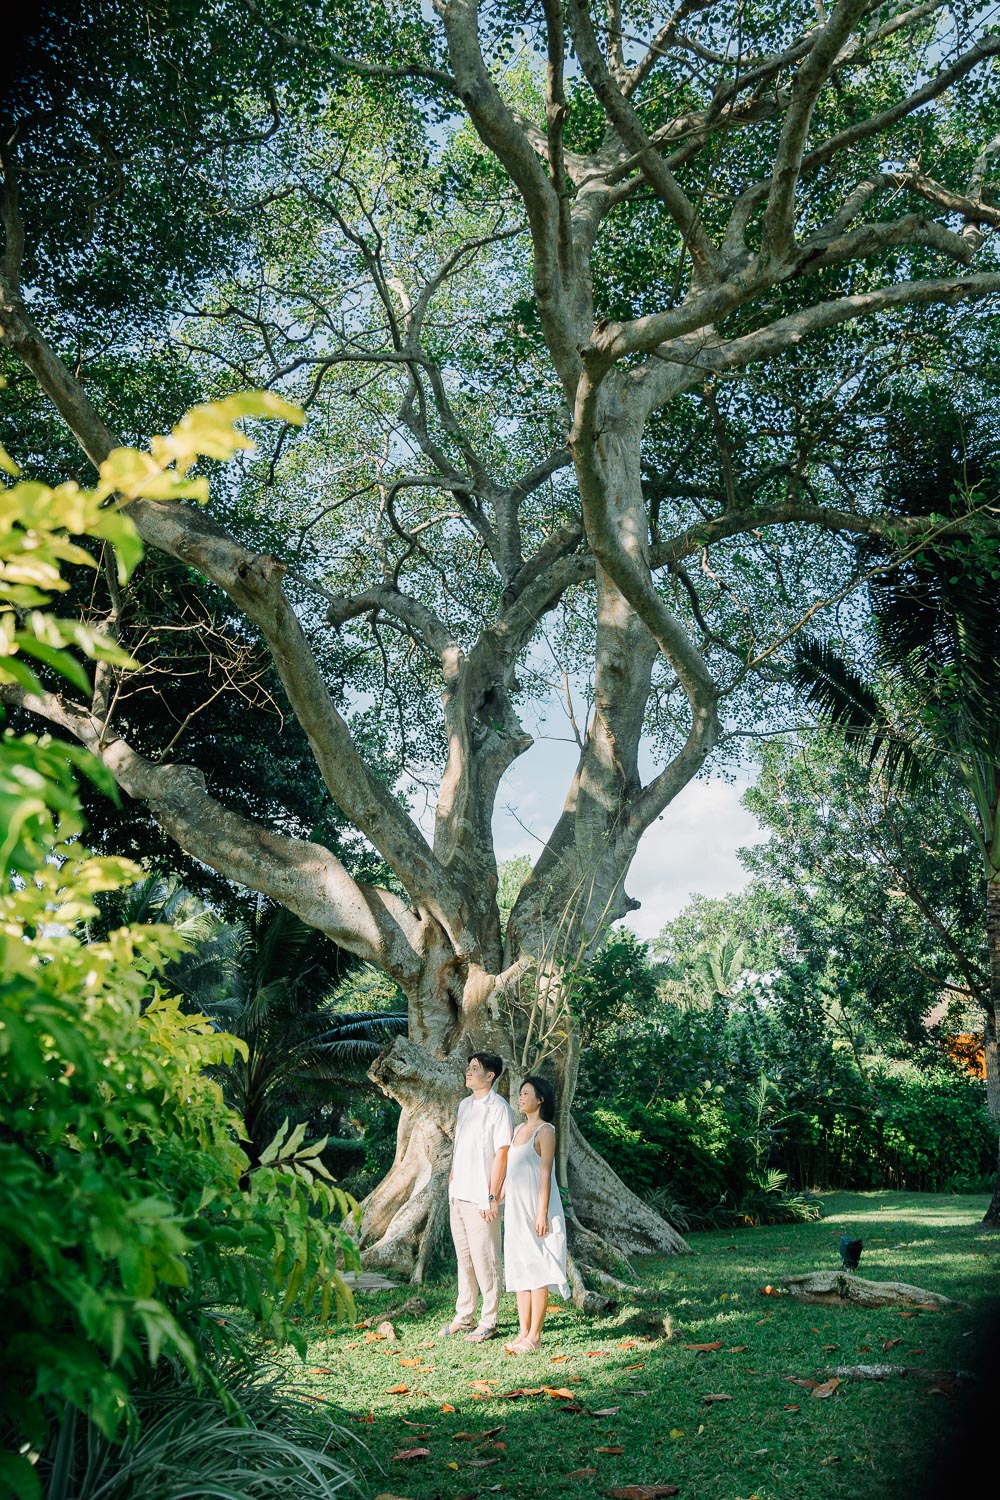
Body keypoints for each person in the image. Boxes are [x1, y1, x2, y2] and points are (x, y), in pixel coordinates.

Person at [440, 1051, 515, 1343]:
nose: (468, 1072)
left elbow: (502, 1153)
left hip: (482, 1197)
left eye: (474, 1068)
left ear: (490, 1076)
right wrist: (452, 1178)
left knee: (486, 1260)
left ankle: (489, 1320)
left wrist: (492, 1196)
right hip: (459, 1194)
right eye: (468, 1067)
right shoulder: (464, 1106)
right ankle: (464, 1316)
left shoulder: (499, 1108)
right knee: (465, 1259)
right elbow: (461, 1146)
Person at [501, 1074, 570, 1353]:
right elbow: (511, 1171)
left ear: (540, 1099)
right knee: (520, 1268)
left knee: (538, 1267)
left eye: (526, 1093)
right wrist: (497, 1198)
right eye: (520, 1093)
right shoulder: (518, 1130)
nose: (521, 1098)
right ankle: (523, 1333)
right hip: (516, 1210)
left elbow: (545, 1173)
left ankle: (535, 1336)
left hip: (537, 1207)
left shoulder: (546, 1131)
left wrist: (542, 1214)